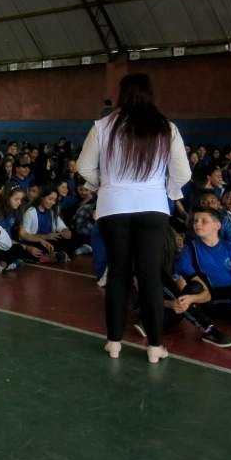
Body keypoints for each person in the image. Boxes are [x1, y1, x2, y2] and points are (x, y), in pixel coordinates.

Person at [77, 73, 191, 363]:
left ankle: (114, 343)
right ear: (150, 93)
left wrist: (102, 184)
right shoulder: (166, 128)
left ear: (121, 93)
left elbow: (84, 167)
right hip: (153, 207)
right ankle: (155, 347)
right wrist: (168, 191)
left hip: (113, 207)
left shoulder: (103, 126)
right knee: (150, 276)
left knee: (118, 274)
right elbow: (183, 174)